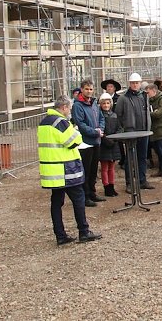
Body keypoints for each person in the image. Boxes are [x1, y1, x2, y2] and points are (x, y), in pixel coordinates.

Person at [37, 95, 101, 245]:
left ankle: (60, 235)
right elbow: (74, 141)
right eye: (69, 109)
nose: (70, 112)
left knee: (56, 202)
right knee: (79, 198)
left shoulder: (44, 122)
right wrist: (75, 130)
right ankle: (84, 231)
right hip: (65, 169)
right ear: (64, 107)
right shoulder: (60, 122)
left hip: (51, 171)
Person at [114, 72, 154, 192]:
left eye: (137, 83)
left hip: (144, 131)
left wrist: (148, 127)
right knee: (130, 159)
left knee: (142, 157)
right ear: (129, 84)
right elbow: (118, 115)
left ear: (140, 83)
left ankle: (142, 180)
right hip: (131, 133)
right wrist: (123, 130)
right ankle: (129, 183)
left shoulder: (144, 96)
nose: (135, 85)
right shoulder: (123, 98)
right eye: (132, 83)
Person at [71, 78, 105, 207]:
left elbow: (101, 118)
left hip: (96, 141)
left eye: (91, 89)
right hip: (85, 143)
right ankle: (84, 196)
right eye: (86, 89)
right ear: (81, 89)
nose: (89, 91)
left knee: (93, 170)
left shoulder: (94, 104)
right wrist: (94, 132)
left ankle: (92, 192)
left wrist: (100, 129)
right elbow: (80, 124)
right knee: (85, 170)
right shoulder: (77, 106)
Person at [98, 93, 121, 197]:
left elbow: (119, 128)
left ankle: (112, 186)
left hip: (114, 144)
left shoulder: (114, 115)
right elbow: (100, 129)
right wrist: (106, 139)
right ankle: (106, 187)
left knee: (112, 167)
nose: (106, 105)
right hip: (104, 144)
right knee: (104, 167)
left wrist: (115, 138)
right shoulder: (99, 116)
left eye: (108, 103)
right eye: (104, 103)